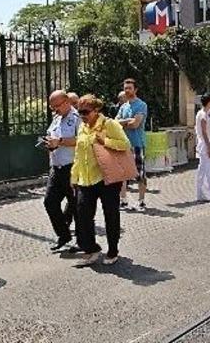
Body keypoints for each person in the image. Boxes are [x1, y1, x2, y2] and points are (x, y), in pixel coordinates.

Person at [70, 94, 130, 266]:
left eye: (85, 111)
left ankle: (113, 250)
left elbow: (125, 145)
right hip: (86, 179)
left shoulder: (109, 124)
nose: (82, 115)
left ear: (96, 110)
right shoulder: (82, 127)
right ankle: (91, 249)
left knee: (110, 214)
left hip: (107, 178)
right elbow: (78, 154)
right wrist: (74, 176)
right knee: (82, 215)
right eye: (79, 112)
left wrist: (105, 140)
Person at [43, 90, 79, 251]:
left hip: (72, 167)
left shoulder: (77, 118)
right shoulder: (56, 118)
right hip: (56, 167)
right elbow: (52, 136)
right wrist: (48, 143)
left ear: (66, 102)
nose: (54, 110)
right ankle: (64, 234)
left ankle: (83, 240)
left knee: (77, 205)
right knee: (50, 202)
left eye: (56, 106)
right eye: (52, 107)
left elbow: (82, 140)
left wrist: (61, 141)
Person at [116, 79, 148, 212]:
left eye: (129, 88)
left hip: (137, 144)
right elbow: (115, 123)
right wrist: (127, 121)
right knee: (122, 174)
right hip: (123, 145)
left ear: (135, 90)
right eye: (125, 88)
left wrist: (125, 122)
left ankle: (141, 202)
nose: (127, 90)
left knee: (140, 173)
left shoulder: (141, 105)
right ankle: (123, 201)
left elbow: (136, 124)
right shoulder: (123, 106)